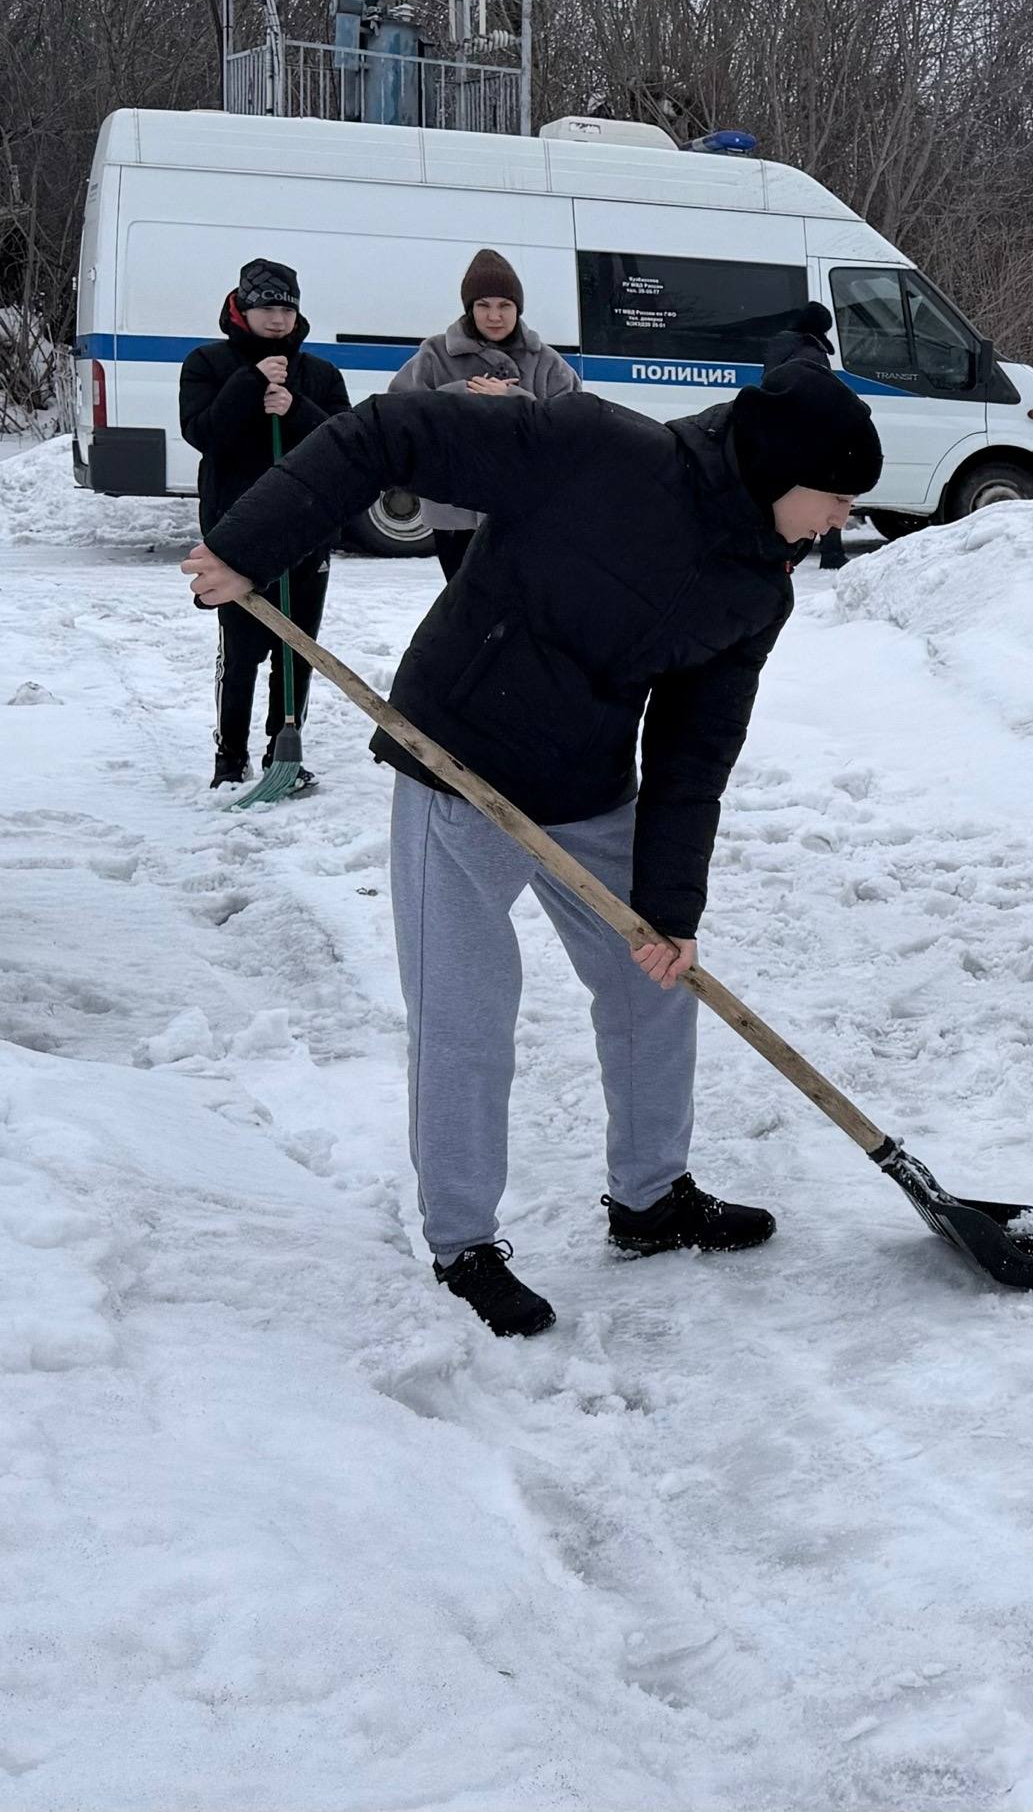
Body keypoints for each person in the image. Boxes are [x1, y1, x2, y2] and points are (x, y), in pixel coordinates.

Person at [180, 303, 883, 1339]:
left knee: (654, 987)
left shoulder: (755, 592)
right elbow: (387, 434)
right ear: (781, 469)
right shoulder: (588, 445)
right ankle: (463, 1243)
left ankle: (649, 1200)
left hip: (588, 785)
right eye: (834, 498)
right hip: (452, 764)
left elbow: (692, 758)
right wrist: (249, 544)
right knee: (469, 1017)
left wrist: (672, 906)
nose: (840, 521)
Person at [177, 258, 349, 793]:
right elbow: (203, 433)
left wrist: (295, 408)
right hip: (238, 532)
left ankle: (284, 750)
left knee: (296, 647)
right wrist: (251, 383)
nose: (277, 319)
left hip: (305, 530)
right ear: (242, 309)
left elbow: (345, 445)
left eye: (286, 307)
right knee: (241, 647)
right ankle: (231, 755)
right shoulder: (207, 364)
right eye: (266, 307)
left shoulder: (319, 374)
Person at [390, 248, 580, 581]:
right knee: (465, 612)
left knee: (521, 611)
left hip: (526, 510)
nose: (495, 316)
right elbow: (399, 413)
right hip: (454, 514)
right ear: (470, 308)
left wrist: (515, 399)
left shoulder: (547, 362)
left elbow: (575, 425)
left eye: (505, 305)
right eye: (484, 305)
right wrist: (460, 395)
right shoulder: (435, 354)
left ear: (518, 309)